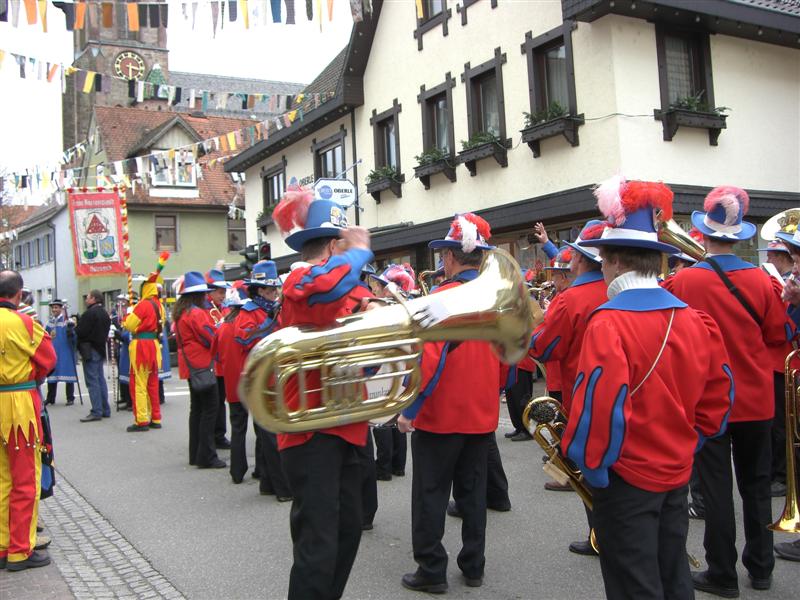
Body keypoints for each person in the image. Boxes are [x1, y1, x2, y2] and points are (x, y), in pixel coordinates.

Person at [561, 176, 734, 599]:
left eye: (603, 260)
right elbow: (719, 398)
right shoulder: (695, 319)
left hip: (626, 477)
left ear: (616, 262)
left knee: (633, 584)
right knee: (673, 573)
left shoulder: (609, 322)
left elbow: (600, 406)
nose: (602, 268)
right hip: (677, 468)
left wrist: (592, 466)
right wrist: (689, 441)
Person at [663, 185, 795, 597]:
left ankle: (722, 572)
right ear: (740, 237)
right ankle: (761, 568)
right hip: (757, 399)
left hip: (709, 401)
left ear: (704, 234)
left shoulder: (684, 281)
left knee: (715, 489)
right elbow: (780, 335)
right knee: (757, 486)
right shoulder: (762, 280)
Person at [271, 182, 374, 599]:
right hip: (310, 431)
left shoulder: (344, 289)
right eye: (342, 247)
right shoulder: (301, 281)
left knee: (347, 533)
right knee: (318, 544)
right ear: (334, 247)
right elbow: (328, 287)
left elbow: (368, 361)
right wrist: (359, 251)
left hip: (346, 425)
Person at [397, 212, 501, 594]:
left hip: (441, 416)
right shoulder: (496, 299)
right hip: (481, 414)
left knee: (430, 495)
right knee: (473, 495)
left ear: (451, 257)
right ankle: (474, 566)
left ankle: (432, 570)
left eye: (443, 255)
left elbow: (429, 359)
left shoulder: (441, 299)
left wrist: (409, 408)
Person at [0, 270, 57, 571]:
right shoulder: (24, 323)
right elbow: (48, 359)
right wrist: (28, 376)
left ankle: (2, 546)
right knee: (25, 479)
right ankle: (20, 550)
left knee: (1, 479)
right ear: (19, 294)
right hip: (18, 403)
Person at [233, 260, 290, 501]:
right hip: (261, 379)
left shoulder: (275, 308)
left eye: (275, 289)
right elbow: (244, 340)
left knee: (267, 434)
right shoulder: (248, 311)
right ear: (258, 290)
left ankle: (267, 482)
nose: (274, 293)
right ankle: (283, 489)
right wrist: (268, 321)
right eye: (270, 289)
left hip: (276, 376)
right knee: (273, 435)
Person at [173, 272, 225, 469]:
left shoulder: (182, 312)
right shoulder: (196, 313)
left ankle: (195, 453)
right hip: (202, 364)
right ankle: (207, 456)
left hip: (190, 365)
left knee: (197, 409)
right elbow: (212, 336)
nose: (206, 296)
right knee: (210, 410)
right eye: (203, 293)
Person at [368, 264, 415, 481]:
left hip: (384, 368)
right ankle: (398, 465)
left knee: (382, 417)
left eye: (380, 285)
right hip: (402, 367)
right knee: (396, 414)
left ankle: (383, 467)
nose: (376, 288)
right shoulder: (406, 307)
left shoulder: (382, 309)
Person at [758, 238, 795, 498]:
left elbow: (784, 328)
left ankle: (781, 475)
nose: (769, 259)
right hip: (776, 360)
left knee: (781, 424)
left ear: (782, 258)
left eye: (772, 255)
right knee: (775, 422)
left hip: (785, 360)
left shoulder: (787, 284)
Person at [210, 282, 256, 484]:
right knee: (262, 430)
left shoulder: (222, 327)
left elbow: (215, 355)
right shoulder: (251, 324)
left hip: (232, 385)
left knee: (238, 429)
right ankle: (261, 470)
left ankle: (237, 472)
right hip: (253, 383)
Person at [123, 255, 169, 432]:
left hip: (141, 346)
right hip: (154, 346)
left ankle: (141, 420)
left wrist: (127, 316)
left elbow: (129, 325)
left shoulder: (142, 305)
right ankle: (155, 417)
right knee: (152, 383)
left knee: (139, 384)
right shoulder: (160, 306)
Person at [76, 290, 111, 422]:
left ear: (94, 299)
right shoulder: (104, 313)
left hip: (90, 349)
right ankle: (105, 409)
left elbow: (81, 331)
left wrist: (75, 327)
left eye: (88, 297)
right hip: (100, 348)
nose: (86, 300)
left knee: (92, 381)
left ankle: (96, 410)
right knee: (100, 379)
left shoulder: (90, 313)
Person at [206, 268, 231, 450]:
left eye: (224, 292)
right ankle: (216, 435)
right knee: (215, 402)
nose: (223, 295)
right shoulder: (207, 310)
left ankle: (219, 434)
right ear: (211, 292)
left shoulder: (224, 308)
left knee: (221, 400)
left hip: (222, 362)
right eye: (220, 292)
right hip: (212, 362)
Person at [44, 299, 77, 406]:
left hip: (65, 351)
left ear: (61, 309)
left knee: (68, 373)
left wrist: (71, 332)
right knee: (52, 375)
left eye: (56, 307)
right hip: (53, 351)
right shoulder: (50, 322)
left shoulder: (67, 321)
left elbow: (74, 338)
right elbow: (46, 336)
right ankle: (51, 398)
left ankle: (70, 397)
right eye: (53, 308)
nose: (54, 309)